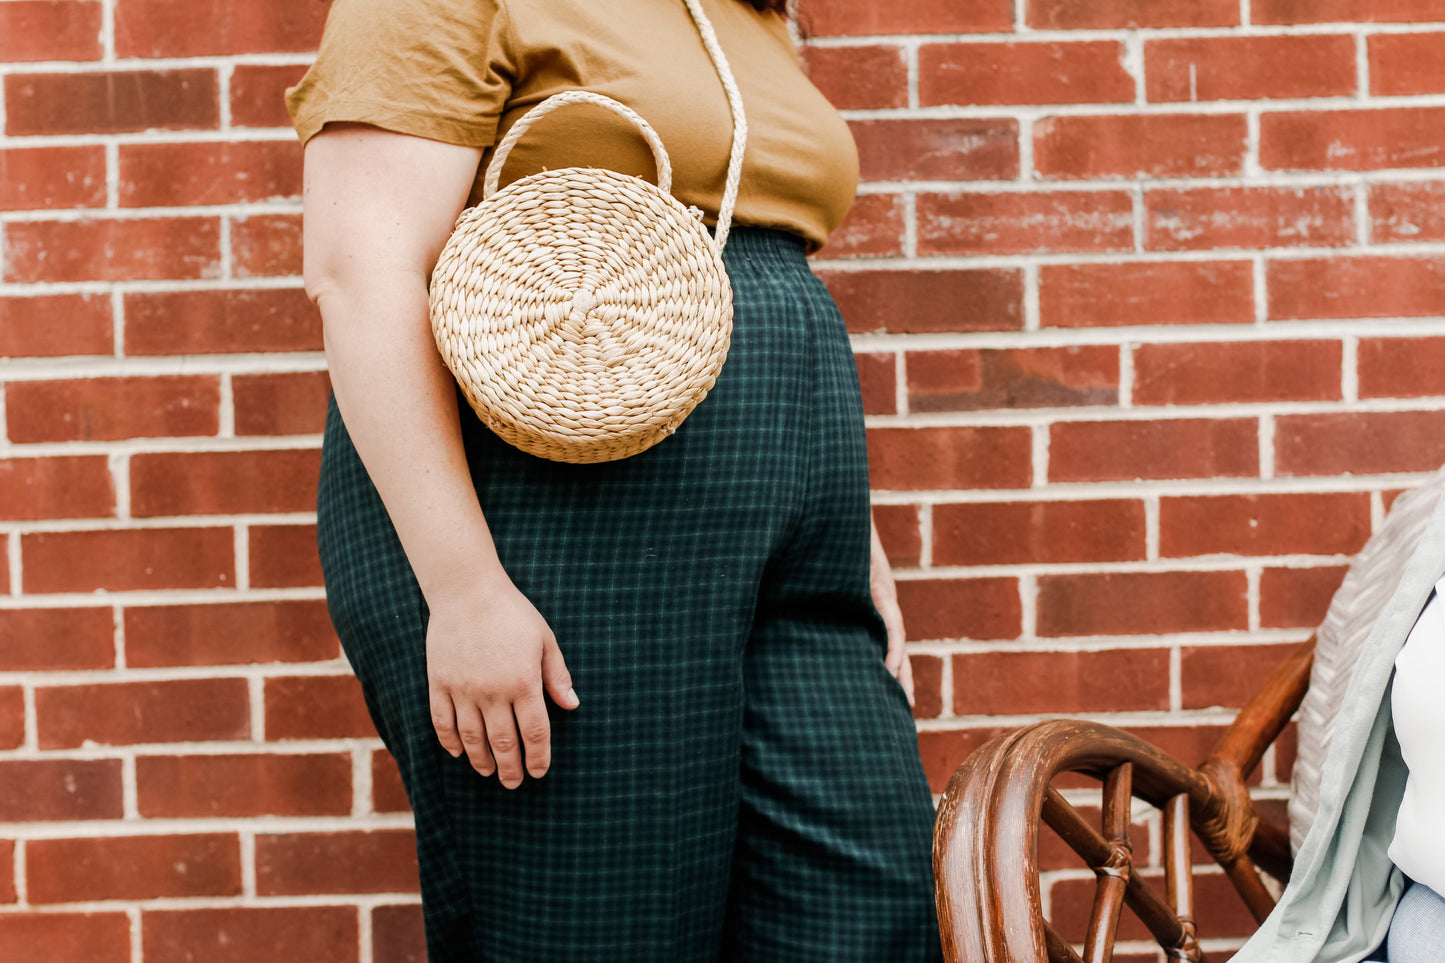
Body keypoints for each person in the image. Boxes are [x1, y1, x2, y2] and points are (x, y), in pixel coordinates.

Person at [285, 0, 944, 959]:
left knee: (864, 913)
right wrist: (466, 590)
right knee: (600, 930)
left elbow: (748, 275)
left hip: (786, 530)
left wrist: (852, 537)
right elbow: (362, 266)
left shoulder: (743, 12)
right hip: (547, 521)